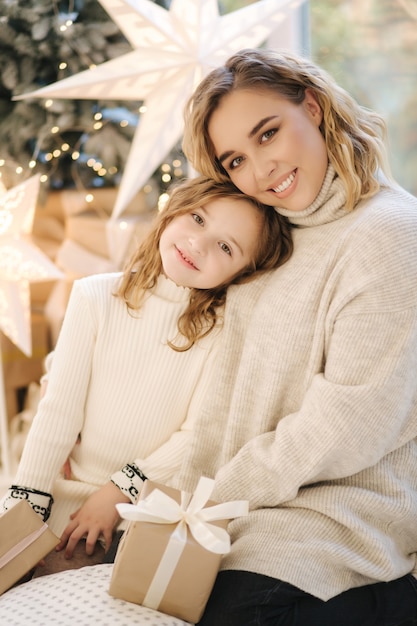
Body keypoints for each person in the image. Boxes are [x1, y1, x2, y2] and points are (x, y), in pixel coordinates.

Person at [175, 48, 417, 626]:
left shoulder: (389, 235)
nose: (260, 172)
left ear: (313, 105)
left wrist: (216, 493)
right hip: (238, 522)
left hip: (339, 532)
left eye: (268, 134)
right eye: (234, 160)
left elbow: (352, 422)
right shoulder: (273, 239)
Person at [0, 175, 292, 575]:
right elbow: (58, 411)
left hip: (140, 513)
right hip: (61, 496)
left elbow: (195, 436)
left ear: (242, 273)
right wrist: (27, 501)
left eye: (226, 247)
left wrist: (118, 491)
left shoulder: (222, 336)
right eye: (198, 219)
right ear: (173, 209)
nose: (198, 244)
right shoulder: (94, 297)